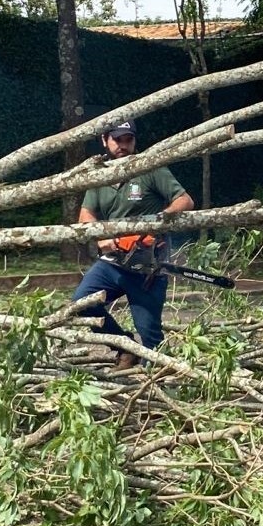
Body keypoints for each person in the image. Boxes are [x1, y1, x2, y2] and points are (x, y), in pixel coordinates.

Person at [70, 121, 195, 368]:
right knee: (82, 304)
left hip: (146, 266)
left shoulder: (149, 168)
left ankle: (156, 380)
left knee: (150, 337)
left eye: (128, 139)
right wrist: (102, 238)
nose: (123, 145)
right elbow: (86, 214)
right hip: (112, 262)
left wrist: (155, 225)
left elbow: (185, 201)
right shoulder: (100, 174)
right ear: (105, 140)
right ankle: (124, 347)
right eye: (118, 140)